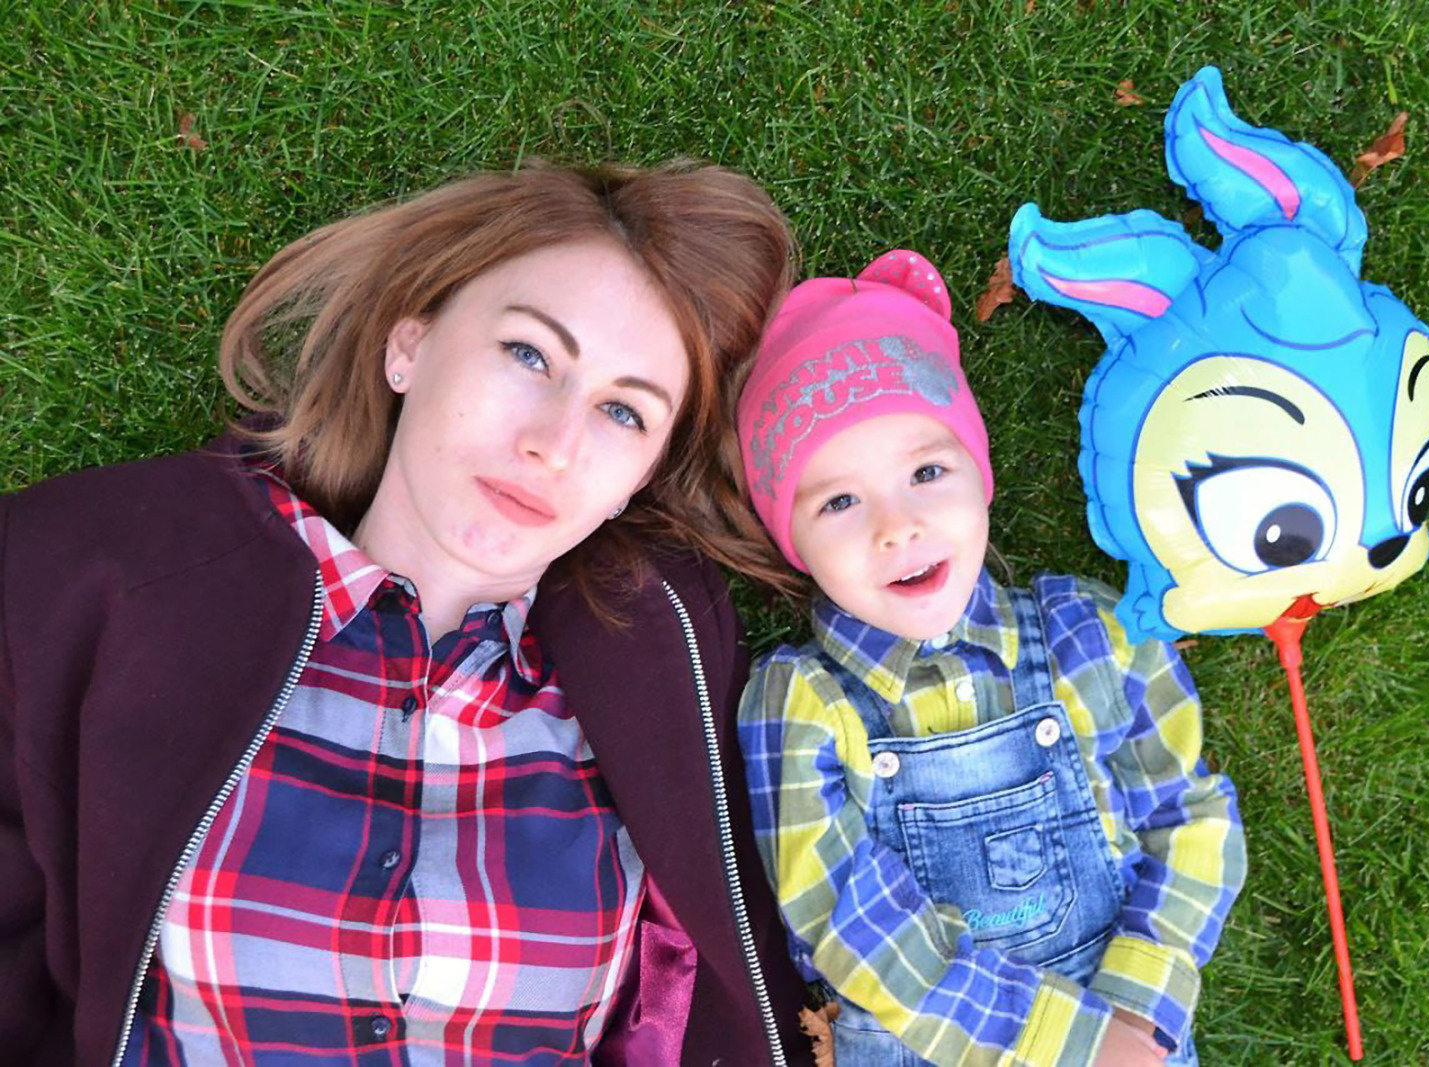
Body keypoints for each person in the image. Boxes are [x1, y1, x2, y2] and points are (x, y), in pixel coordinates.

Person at [0, 161, 812, 1064]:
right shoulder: (105, 573)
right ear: (409, 346)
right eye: (530, 354)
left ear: (639, 483)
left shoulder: (665, 667)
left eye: (622, 412)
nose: (552, 444)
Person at [734, 250, 1247, 1065]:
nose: (895, 526)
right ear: (790, 540)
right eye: (838, 500)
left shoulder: (1091, 632)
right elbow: (841, 914)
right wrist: (1063, 1042)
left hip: (1125, 1022)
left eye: (927, 471)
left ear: (981, 473)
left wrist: (1141, 1009)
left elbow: (1188, 812)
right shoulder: (800, 700)